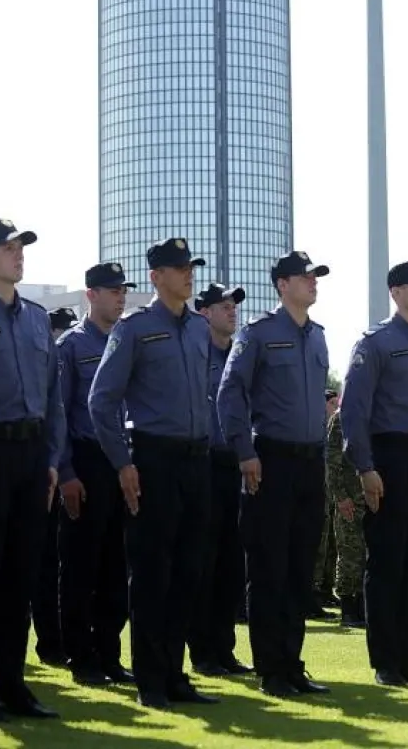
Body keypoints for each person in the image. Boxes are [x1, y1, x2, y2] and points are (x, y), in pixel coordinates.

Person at [89, 237, 215, 711]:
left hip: (195, 460)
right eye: (179, 268)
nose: (188, 274)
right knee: (151, 573)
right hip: (153, 459)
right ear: (156, 276)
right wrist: (123, 462)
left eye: (190, 267)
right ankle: (150, 679)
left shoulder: (200, 330)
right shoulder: (135, 328)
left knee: (187, 572)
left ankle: (175, 672)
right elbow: (101, 400)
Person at [0, 218, 66, 722]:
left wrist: (51, 460)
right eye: (7, 248)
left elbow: (53, 398)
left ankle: (13, 683)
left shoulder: (35, 319)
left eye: (21, 246)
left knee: (23, 574)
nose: (18, 254)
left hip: (30, 457)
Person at [217, 250, 331, 698]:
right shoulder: (258, 334)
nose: (313, 283)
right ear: (282, 285)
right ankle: (270, 669)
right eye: (306, 277)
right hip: (271, 460)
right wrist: (244, 451)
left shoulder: (318, 336)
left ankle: (292, 663)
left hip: (309, 462)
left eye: (315, 277)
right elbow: (230, 394)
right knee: (269, 569)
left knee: (300, 571)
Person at [340, 258, 408, 687]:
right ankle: (386, 661)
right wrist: (365, 466)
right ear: (396, 291)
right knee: (387, 562)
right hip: (390, 457)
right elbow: (354, 410)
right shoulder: (376, 343)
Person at [57, 264, 136, 686]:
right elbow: (60, 412)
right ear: (91, 295)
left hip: (121, 460)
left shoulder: (128, 340)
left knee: (114, 565)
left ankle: (109, 653)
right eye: (111, 291)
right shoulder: (72, 346)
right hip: (85, 461)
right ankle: (80, 656)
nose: (120, 297)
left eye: (123, 290)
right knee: (81, 566)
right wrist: (66, 470)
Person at [187, 282, 250, 678]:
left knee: (231, 562)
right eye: (223, 305)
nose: (232, 311)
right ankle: (203, 652)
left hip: (236, 464)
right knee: (203, 560)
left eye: (233, 306)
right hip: (201, 462)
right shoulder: (194, 353)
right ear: (204, 312)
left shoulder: (241, 357)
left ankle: (224, 649)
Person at [26, 306, 78, 671]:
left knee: (52, 562)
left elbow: (57, 410)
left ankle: (58, 641)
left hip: (50, 465)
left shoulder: (38, 331)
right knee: (36, 565)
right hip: (33, 465)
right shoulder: (66, 353)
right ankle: (49, 641)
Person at [326, 406, 365, 628]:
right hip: (350, 499)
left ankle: (362, 604)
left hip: (372, 499)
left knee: (368, 557)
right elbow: (332, 462)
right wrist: (340, 497)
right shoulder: (342, 418)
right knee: (350, 554)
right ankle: (349, 608)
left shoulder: (377, 412)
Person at [310, 388, 340, 620]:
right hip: (316, 494)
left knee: (330, 547)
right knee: (316, 546)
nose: (335, 407)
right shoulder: (314, 430)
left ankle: (324, 590)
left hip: (329, 496)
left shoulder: (331, 430)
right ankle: (311, 595)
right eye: (331, 403)